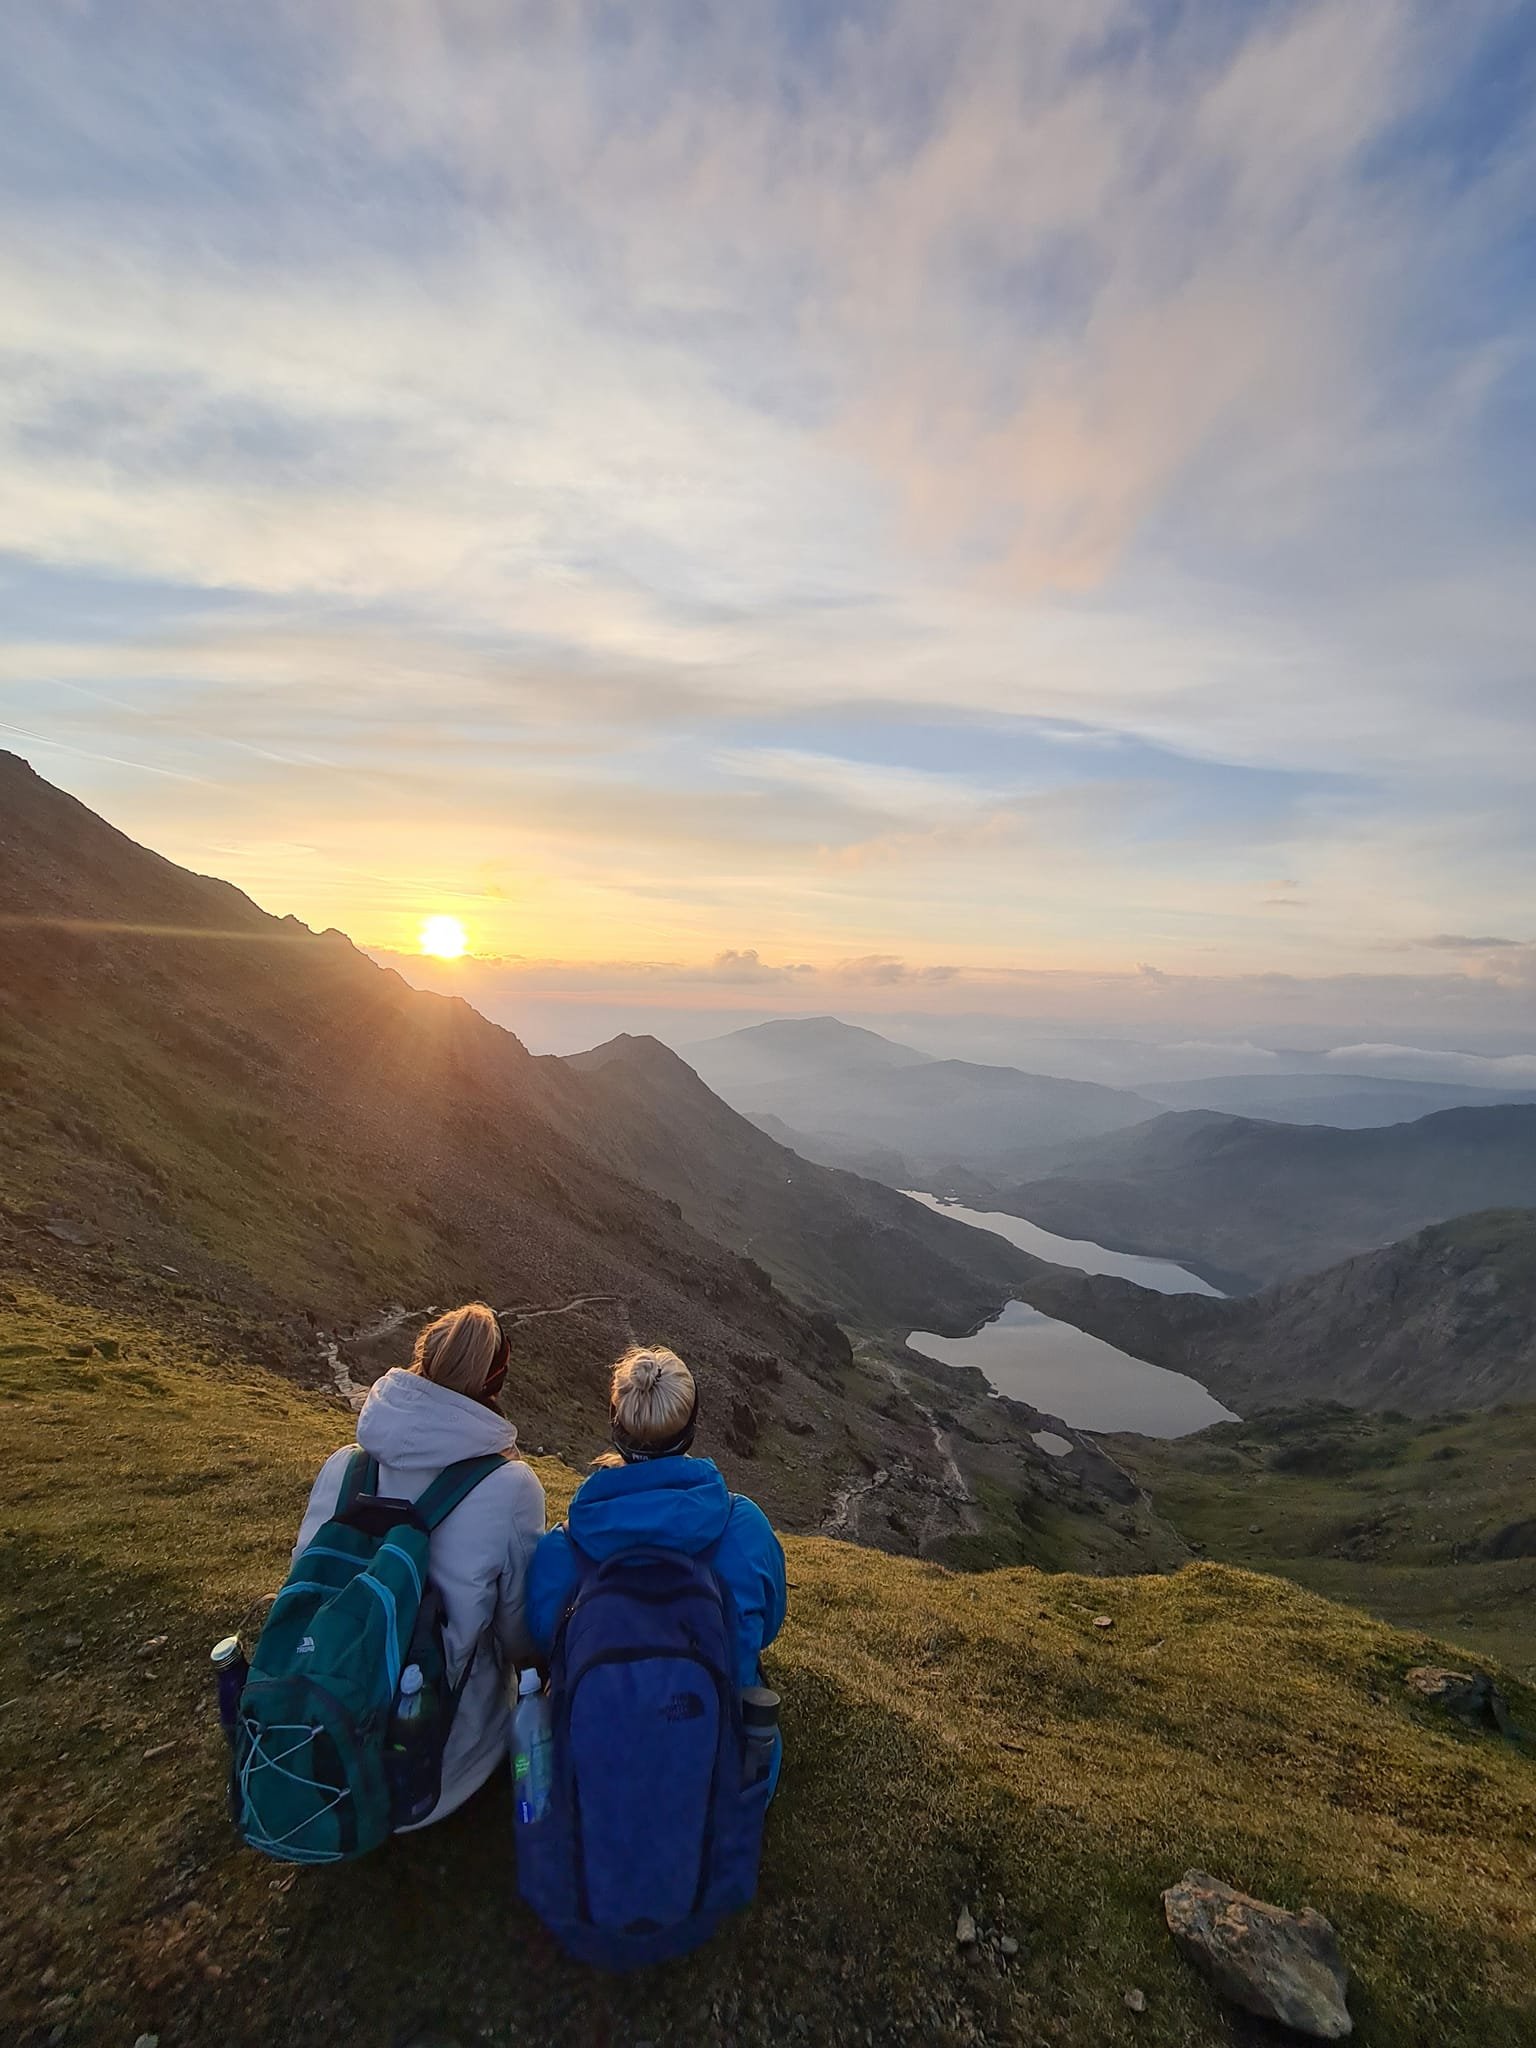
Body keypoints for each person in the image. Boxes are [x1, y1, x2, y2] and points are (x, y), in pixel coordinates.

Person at [293, 1301, 546, 1826]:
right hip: (440, 1771)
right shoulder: (510, 1488)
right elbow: (522, 1635)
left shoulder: (345, 1467)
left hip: (320, 1740)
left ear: (421, 1361)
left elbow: (304, 1582)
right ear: (493, 1381)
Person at [528, 1344, 787, 1773]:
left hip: (595, 1777)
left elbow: (541, 1638)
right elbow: (768, 1626)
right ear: (691, 1427)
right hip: (719, 1776)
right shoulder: (745, 1529)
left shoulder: (563, 1550)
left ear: (616, 1424)